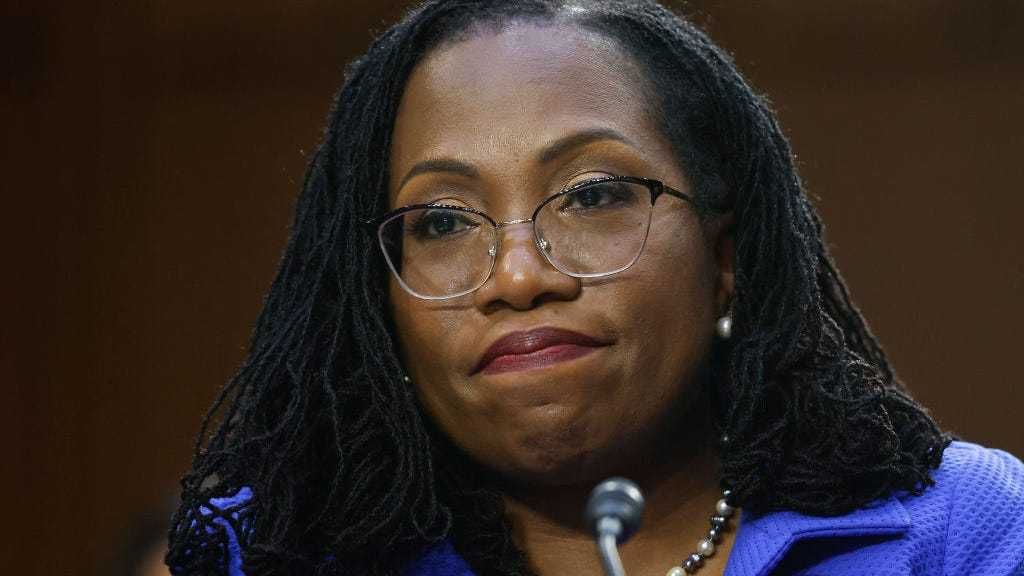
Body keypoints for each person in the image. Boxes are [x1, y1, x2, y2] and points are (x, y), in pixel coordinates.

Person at [166, 1, 1024, 575]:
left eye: (592, 196)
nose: (519, 277)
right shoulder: (268, 555)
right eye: (442, 221)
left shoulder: (968, 533)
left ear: (726, 258)